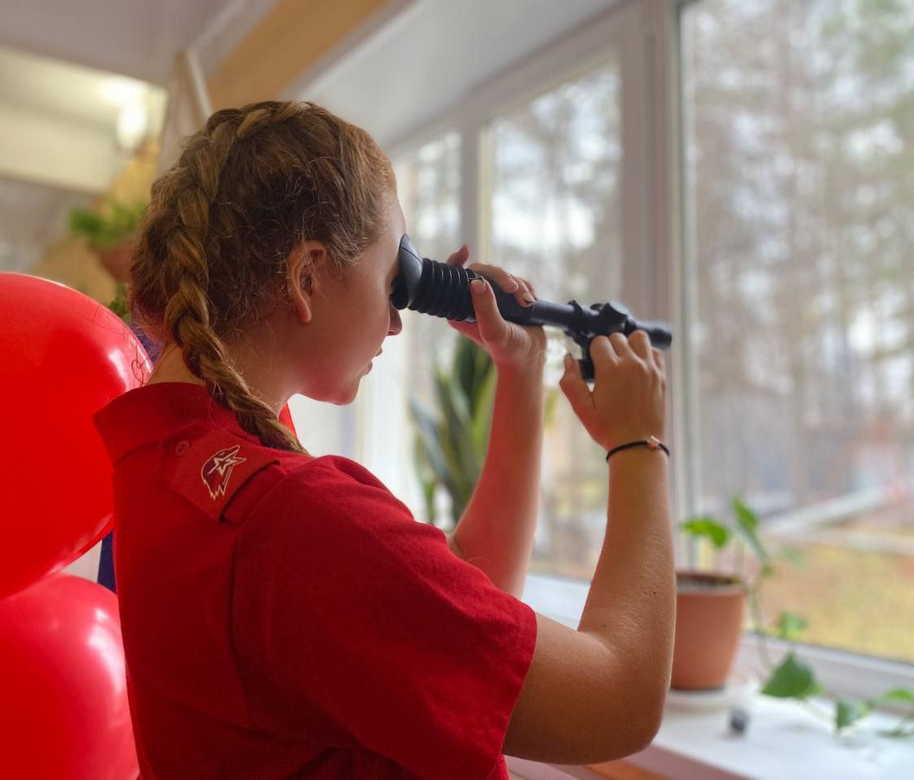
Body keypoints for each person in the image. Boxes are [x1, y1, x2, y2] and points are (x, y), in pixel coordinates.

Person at [93, 100, 674, 779]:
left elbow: (448, 605)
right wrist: (640, 447)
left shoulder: (172, 456)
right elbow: (618, 700)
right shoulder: (295, 518)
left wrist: (519, 373)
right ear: (307, 276)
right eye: (386, 283)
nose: (395, 326)